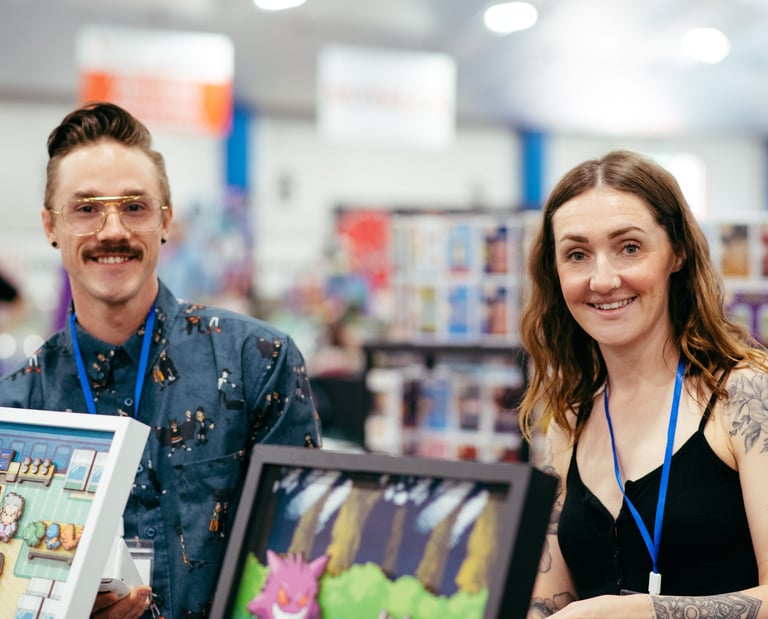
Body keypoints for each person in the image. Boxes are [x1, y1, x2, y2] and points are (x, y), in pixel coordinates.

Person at [0, 102, 322, 619]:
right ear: (50, 226)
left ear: (165, 220)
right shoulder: (16, 408)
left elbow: (298, 568)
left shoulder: (256, 363)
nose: (112, 230)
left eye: (134, 206)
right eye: (85, 209)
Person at [518, 149, 768, 618]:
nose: (602, 279)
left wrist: (638, 612)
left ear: (678, 252)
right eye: (577, 255)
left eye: (629, 247)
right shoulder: (570, 418)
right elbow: (549, 601)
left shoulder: (746, 397)